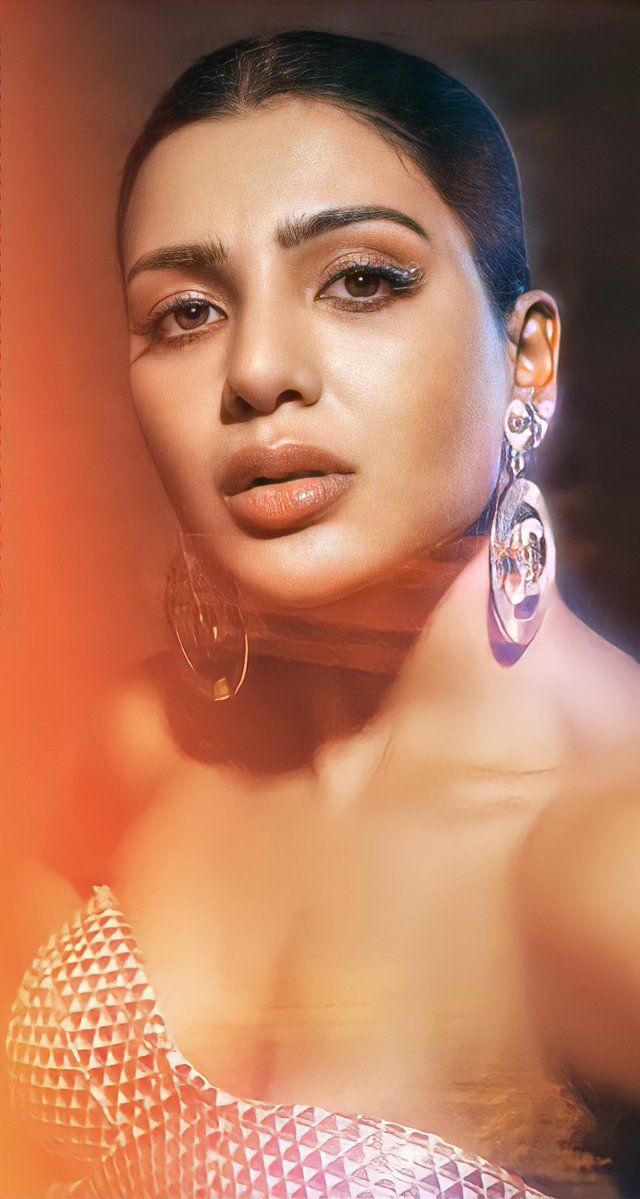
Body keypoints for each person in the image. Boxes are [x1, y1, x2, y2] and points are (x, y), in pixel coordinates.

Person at [4, 27, 640, 1199]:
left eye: (360, 280)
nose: (257, 370)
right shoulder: (133, 737)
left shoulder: (605, 861)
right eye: (186, 311)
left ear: (530, 358)